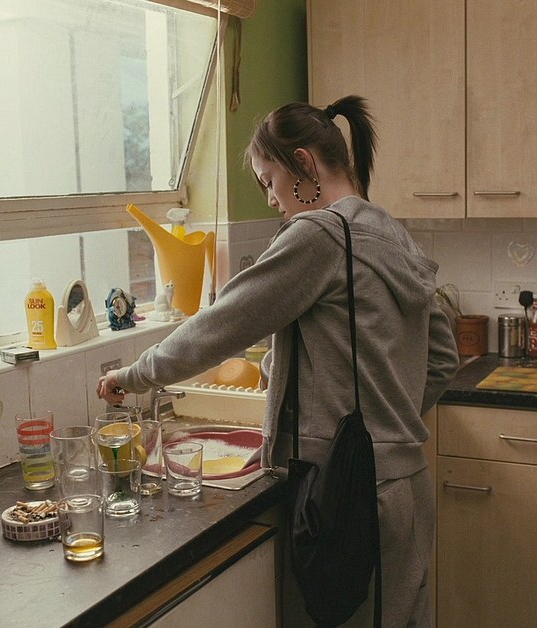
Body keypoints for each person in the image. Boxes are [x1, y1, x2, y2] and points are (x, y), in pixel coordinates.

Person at [97, 95, 459, 626]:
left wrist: (134, 375)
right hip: (405, 487)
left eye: (269, 180)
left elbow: (223, 324)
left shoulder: (319, 235)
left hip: (345, 498)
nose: (271, 199)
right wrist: (390, 429)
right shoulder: (390, 232)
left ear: (304, 164)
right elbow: (443, 356)